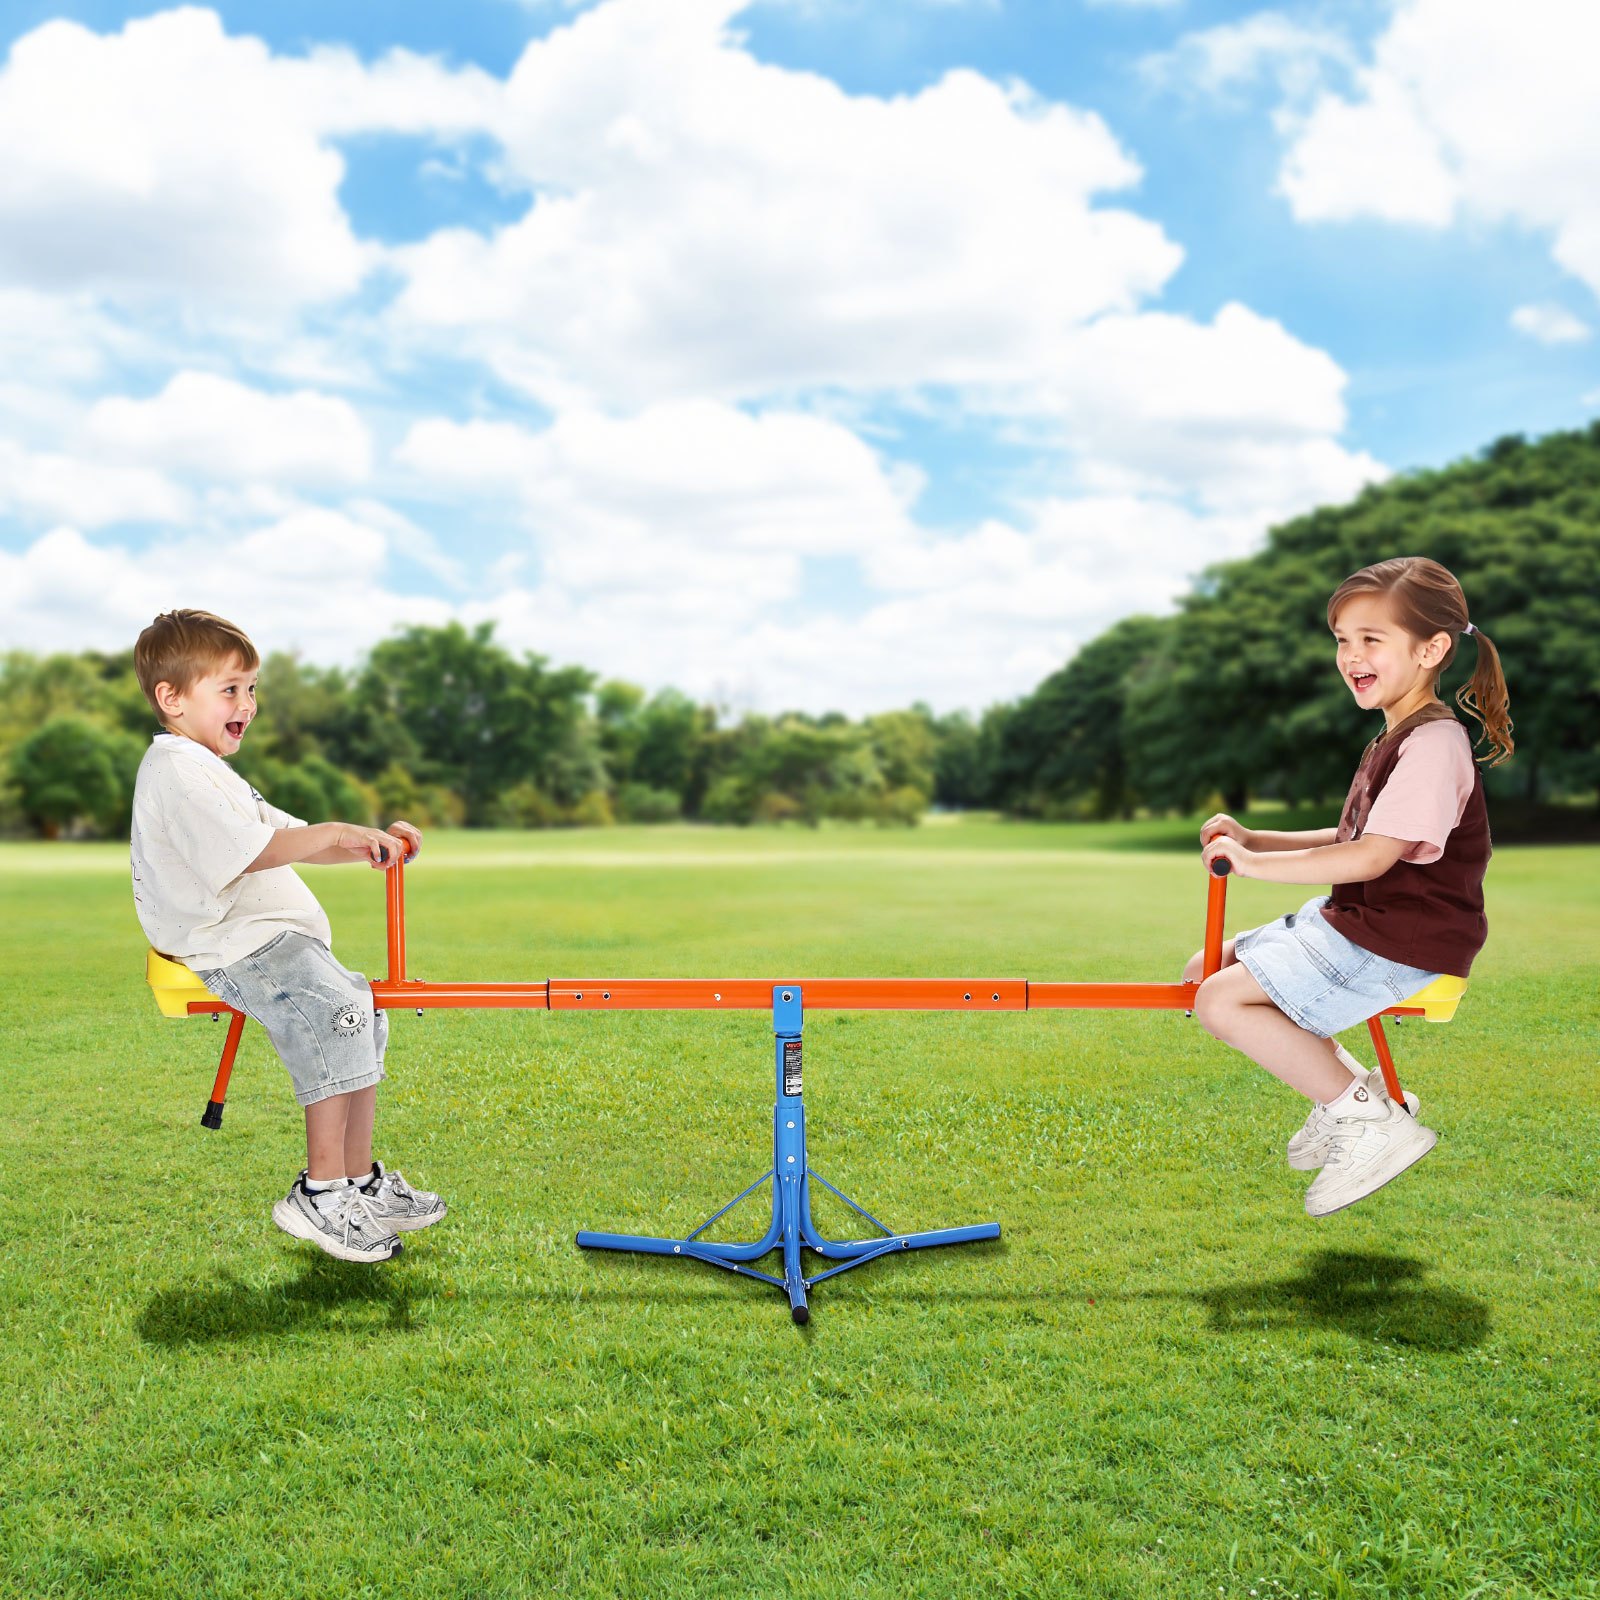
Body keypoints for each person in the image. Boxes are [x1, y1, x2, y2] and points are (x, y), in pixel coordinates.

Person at [1182, 557, 1514, 1216]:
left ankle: (1369, 1124)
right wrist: (1255, 840)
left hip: (1400, 940)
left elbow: (1371, 859)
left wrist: (1251, 869)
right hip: (1361, 926)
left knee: (1220, 1002)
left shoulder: (1434, 746)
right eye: (1342, 639)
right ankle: (1355, 1096)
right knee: (1203, 973)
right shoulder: (1395, 736)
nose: (1350, 655)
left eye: (1371, 639)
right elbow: (1349, 837)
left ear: (1432, 649)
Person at [130, 609, 447, 1263]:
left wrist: (367, 845)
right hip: (232, 943)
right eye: (230, 689)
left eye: (251, 688)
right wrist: (335, 833)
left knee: (360, 1012)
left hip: (265, 939)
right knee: (335, 1015)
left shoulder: (212, 771)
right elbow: (258, 851)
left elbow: (286, 837)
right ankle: (320, 1192)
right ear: (171, 697)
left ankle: (358, 1180)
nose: (247, 703)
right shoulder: (177, 773)